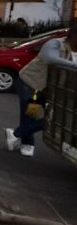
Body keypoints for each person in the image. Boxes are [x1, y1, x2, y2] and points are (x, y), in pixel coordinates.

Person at [6, 25, 77, 157]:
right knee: (33, 115)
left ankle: (16, 135)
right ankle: (27, 142)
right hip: (31, 84)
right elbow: (50, 58)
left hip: (54, 91)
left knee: (49, 119)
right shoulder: (55, 44)